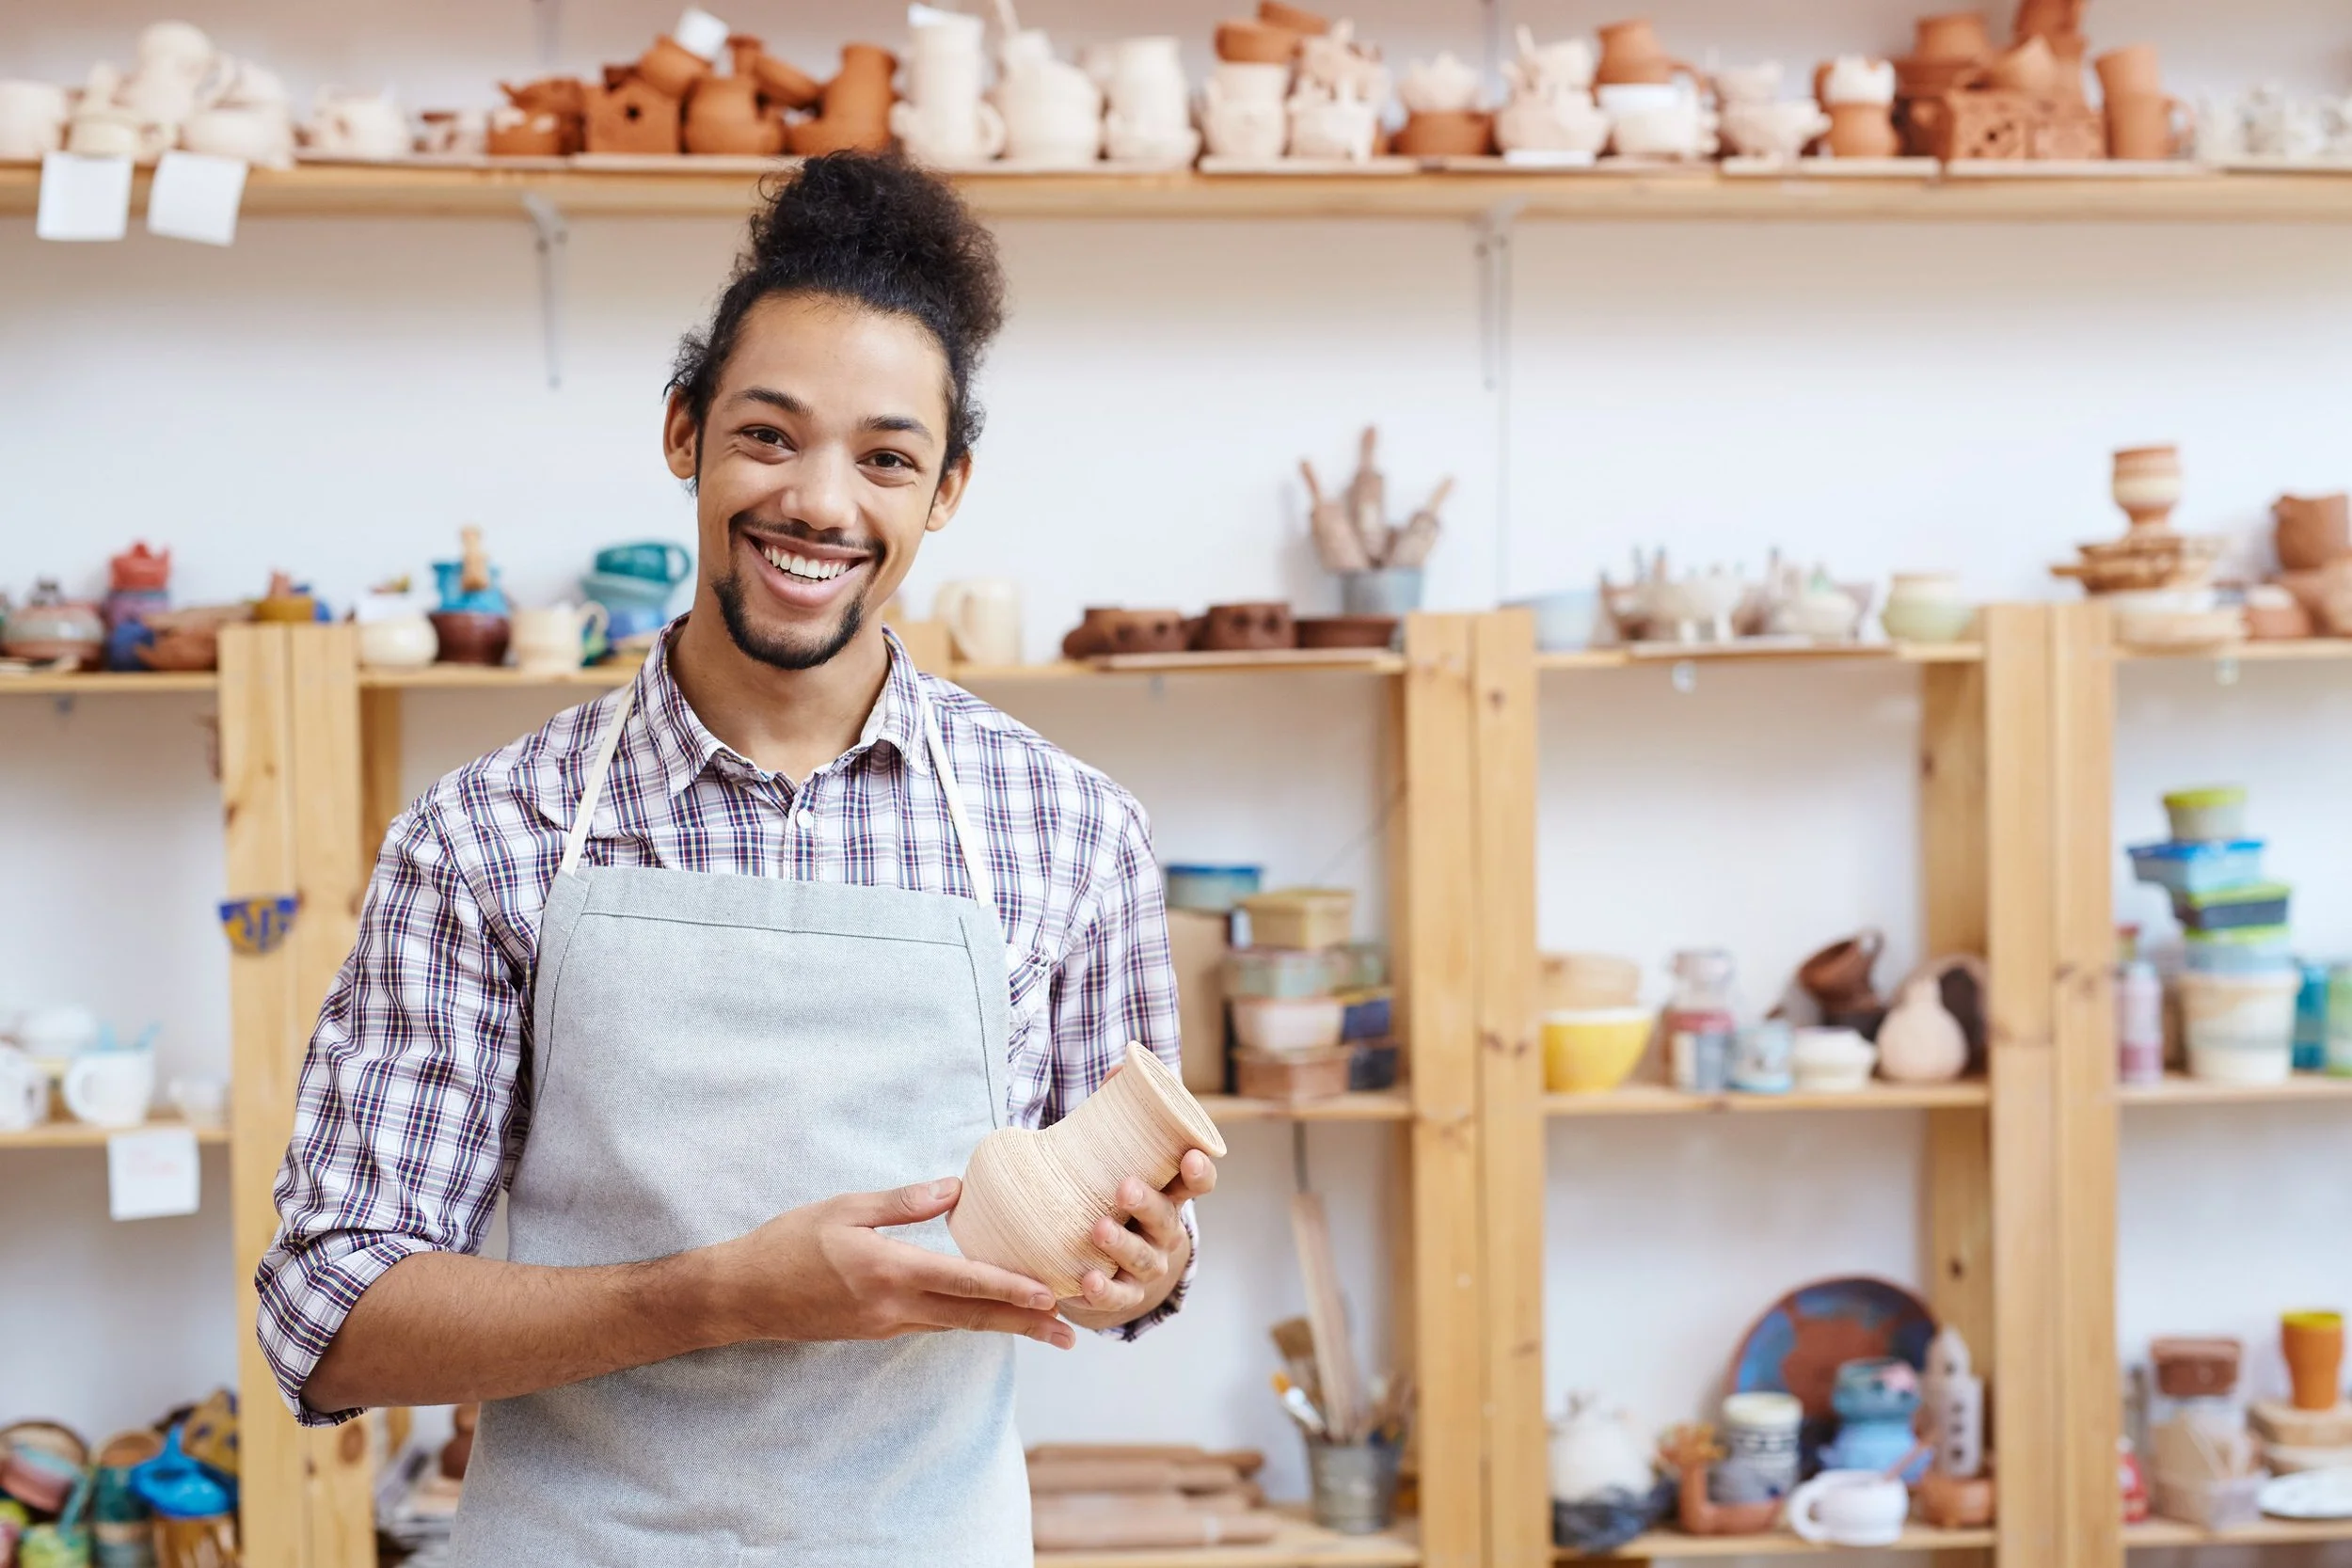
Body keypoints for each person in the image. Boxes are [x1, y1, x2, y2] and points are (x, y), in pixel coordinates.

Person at [255, 153, 1216, 1565]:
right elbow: (326, 1320)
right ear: (684, 433)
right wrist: (717, 1293)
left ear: (946, 490)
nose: (822, 503)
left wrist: (1146, 1266)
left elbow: (1117, 1252)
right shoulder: (483, 835)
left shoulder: (1072, 831)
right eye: (770, 436)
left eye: (887, 456)